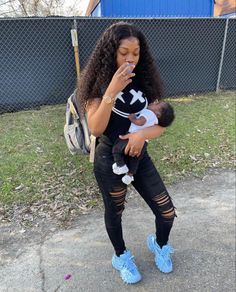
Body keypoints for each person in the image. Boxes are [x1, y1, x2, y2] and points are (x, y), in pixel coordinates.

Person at [78, 22, 176, 284]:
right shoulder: (95, 84)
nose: (131, 58)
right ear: (111, 52)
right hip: (110, 159)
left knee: (166, 211)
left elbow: (160, 126)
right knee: (115, 211)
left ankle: (160, 244)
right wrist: (112, 89)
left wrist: (142, 135)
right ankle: (120, 255)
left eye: (136, 52)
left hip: (139, 157)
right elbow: (97, 128)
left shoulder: (145, 80)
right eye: (124, 52)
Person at [112, 102, 175, 185]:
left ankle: (121, 166)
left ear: (158, 114)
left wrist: (132, 118)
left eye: (157, 104)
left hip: (133, 137)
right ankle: (130, 175)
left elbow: (140, 122)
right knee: (135, 160)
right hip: (143, 143)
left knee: (116, 149)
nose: (154, 102)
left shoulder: (149, 113)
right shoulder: (156, 121)